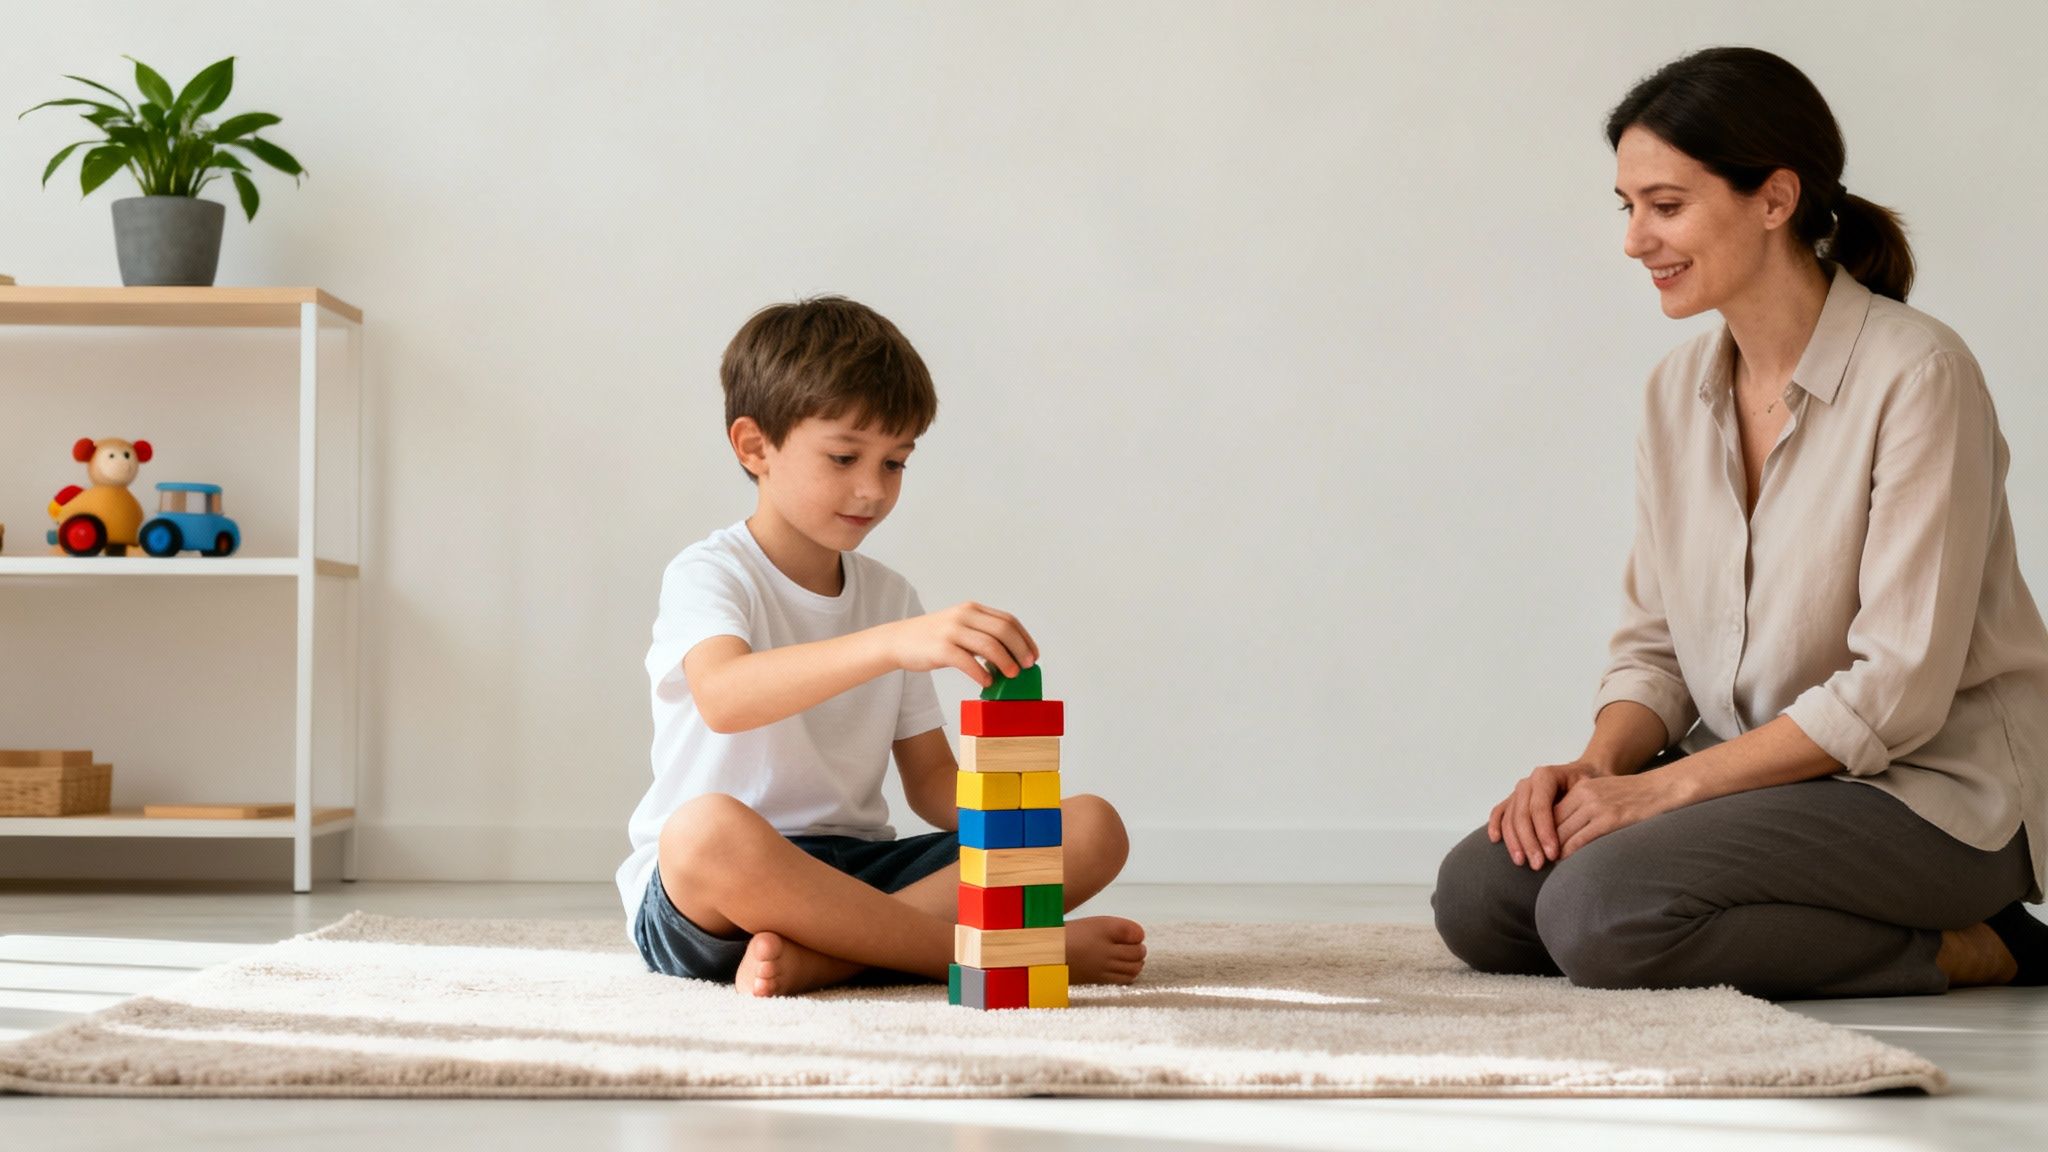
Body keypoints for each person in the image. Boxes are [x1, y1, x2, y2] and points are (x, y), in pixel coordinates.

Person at [1433, 47, 2048, 998]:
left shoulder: (1919, 374)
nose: (1636, 240)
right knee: (1481, 896)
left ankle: (1975, 945)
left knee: (1600, 913)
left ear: (1774, 199)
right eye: (1627, 206)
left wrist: (1667, 788)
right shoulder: (1677, 392)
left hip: (1931, 796)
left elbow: (1897, 690)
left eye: (1666, 205)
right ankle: (1805, 904)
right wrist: (1593, 770)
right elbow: (1657, 648)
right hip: (1771, 782)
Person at [617, 295, 1147, 996]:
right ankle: (991, 951)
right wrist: (891, 645)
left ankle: (833, 958)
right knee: (704, 833)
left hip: (859, 871)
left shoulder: (889, 594)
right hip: (720, 893)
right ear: (754, 447)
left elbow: (929, 784)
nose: (872, 489)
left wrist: (1015, 806)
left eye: (895, 463)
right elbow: (723, 697)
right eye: (844, 457)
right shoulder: (711, 572)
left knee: (1091, 828)